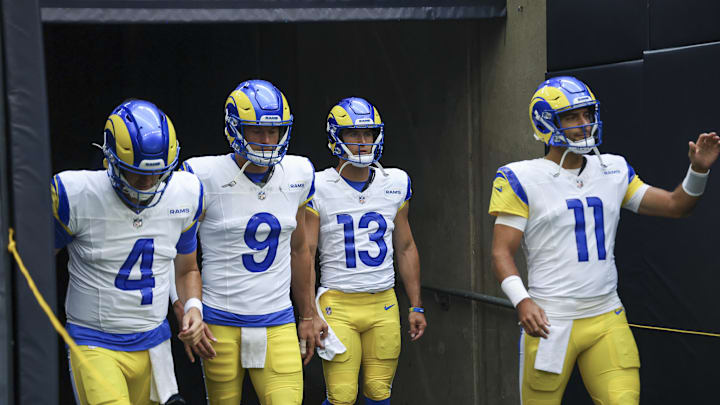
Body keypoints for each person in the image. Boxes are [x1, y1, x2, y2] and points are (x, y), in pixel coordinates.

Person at [489, 76, 720, 404]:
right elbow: (501, 252)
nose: (584, 124)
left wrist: (697, 171)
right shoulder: (521, 177)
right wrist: (522, 300)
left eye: (587, 114)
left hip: (606, 315)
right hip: (551, 319)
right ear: (546, 121)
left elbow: (675, 206)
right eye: (572, 117)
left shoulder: (612, 169)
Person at [52, 99, 207, 405]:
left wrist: (192, 307)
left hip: (155, 345)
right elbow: (32, 266)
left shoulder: (185, 193)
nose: (149, 184)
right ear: (110, 160)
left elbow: (187, 268)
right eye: (138, 175)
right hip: (95, 343)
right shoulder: (78, 195)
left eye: (158, 174)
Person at [178, 79, 318, 404]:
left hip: (278, 321)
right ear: (234, 128)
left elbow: (300, 251)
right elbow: (178, 255)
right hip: (218, 324)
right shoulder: (202, 176)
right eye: (257, 131)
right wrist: (185, 309)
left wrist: (308, 314)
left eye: (274, 131)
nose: (268, 140)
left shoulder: (299, 173)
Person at [305, 97, 427, 405]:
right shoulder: (317, 186)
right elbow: (305, 253)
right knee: (342, 395)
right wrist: (307, 311)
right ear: (337, 137)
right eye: (354, 134)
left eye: (368, 134)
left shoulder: (395, 182)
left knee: (379, 392)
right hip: (337, 302)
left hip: (383, 301)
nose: (363, 142)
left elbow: (406, 245)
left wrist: (416, 304)